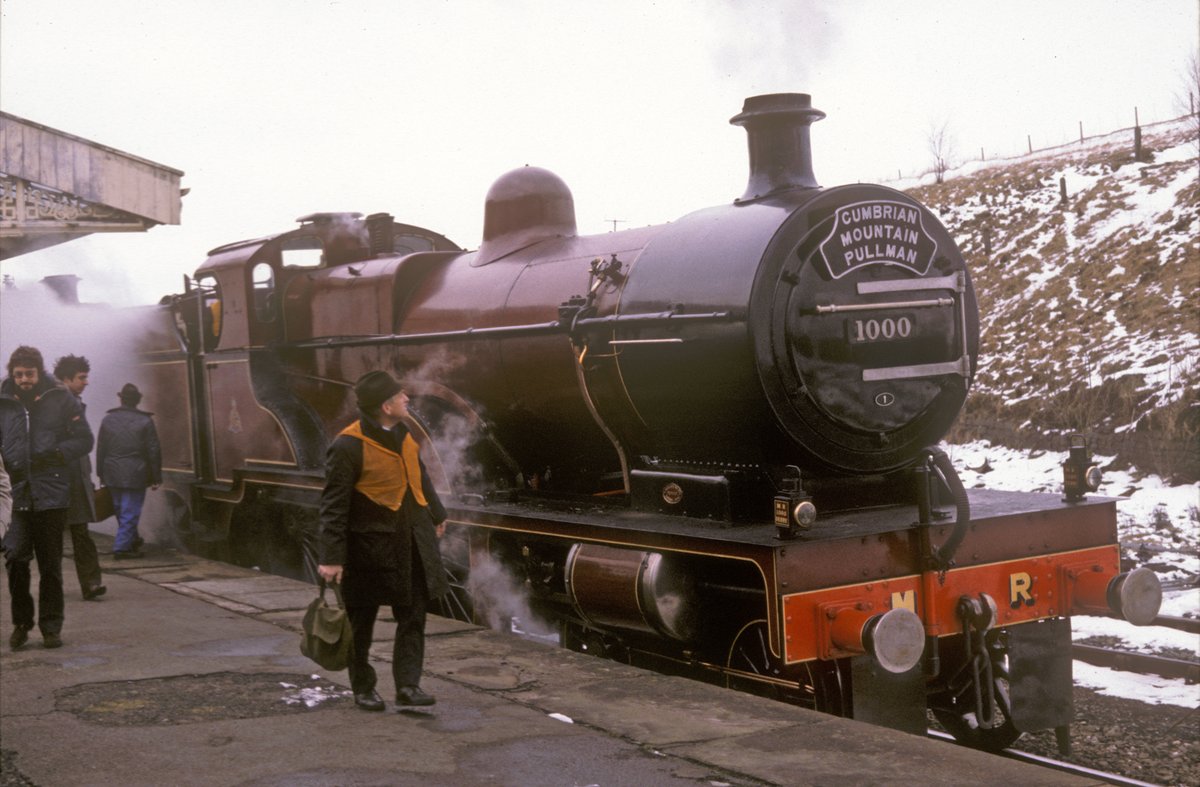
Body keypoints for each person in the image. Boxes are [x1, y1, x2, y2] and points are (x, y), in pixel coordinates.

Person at [318, 370, 449, 712]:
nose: (407, 399)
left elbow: (418, 474)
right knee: (362, 621)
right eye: (400, 395)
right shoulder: (347, 446)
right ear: (386, 406)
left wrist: (436, 512)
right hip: (369, 549)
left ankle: (408, 685)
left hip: (411, 541)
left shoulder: (403, 433)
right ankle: (363, 687)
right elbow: (333, 507)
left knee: (413, 616)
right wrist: (331, 557)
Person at [1, 345, 94, 649]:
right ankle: (21, 622)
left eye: (29, 374)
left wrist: (57, 454)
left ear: (39, 373)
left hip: (51, 492)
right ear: (11, 374)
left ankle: (50, 626)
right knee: (15, 558)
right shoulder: (2, 401)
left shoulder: (60, 399)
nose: (24, 380)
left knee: (50, 565)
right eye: (18, 375)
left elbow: (84, 439)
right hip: (14, 494)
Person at [53, 355, 106, 600]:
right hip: (57, 481)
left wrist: (87, 477)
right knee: (52, 539)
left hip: (75, 478)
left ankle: (91, 583)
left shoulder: (74, 403)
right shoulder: (53, 406)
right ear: (66, 379)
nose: (86, 382)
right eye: (81, 378)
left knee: (81, 534)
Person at [96, 383, 162, 558]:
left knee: (120, 509)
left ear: (121, 399)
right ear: (137, 401)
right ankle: (121, 548)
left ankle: (132, 540)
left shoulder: (107, 419)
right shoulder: (145, 421)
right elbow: (153, 451)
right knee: (130, 511)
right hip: (136, 472)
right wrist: (156, 477)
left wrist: (101, 474)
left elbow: (101, 449)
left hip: (112, 471)